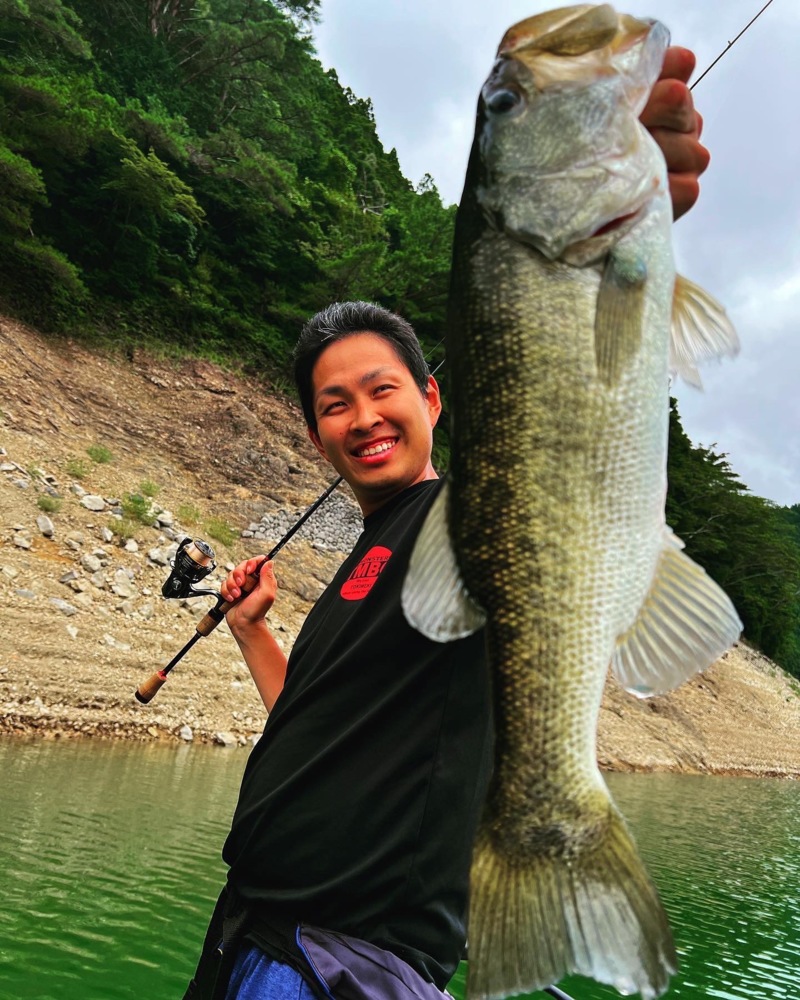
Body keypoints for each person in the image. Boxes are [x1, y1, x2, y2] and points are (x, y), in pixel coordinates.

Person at [184, 48, 710, 1000]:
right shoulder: (363, 563)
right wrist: (256, 632)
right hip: (252, 937)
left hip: (342, 961)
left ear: (431, 398)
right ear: (316, 433)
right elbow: (318, 730)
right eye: (334, 404)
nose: (362, 417)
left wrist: (601, 234)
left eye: (381, 389)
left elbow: (565, 421)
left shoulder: (468, 521)